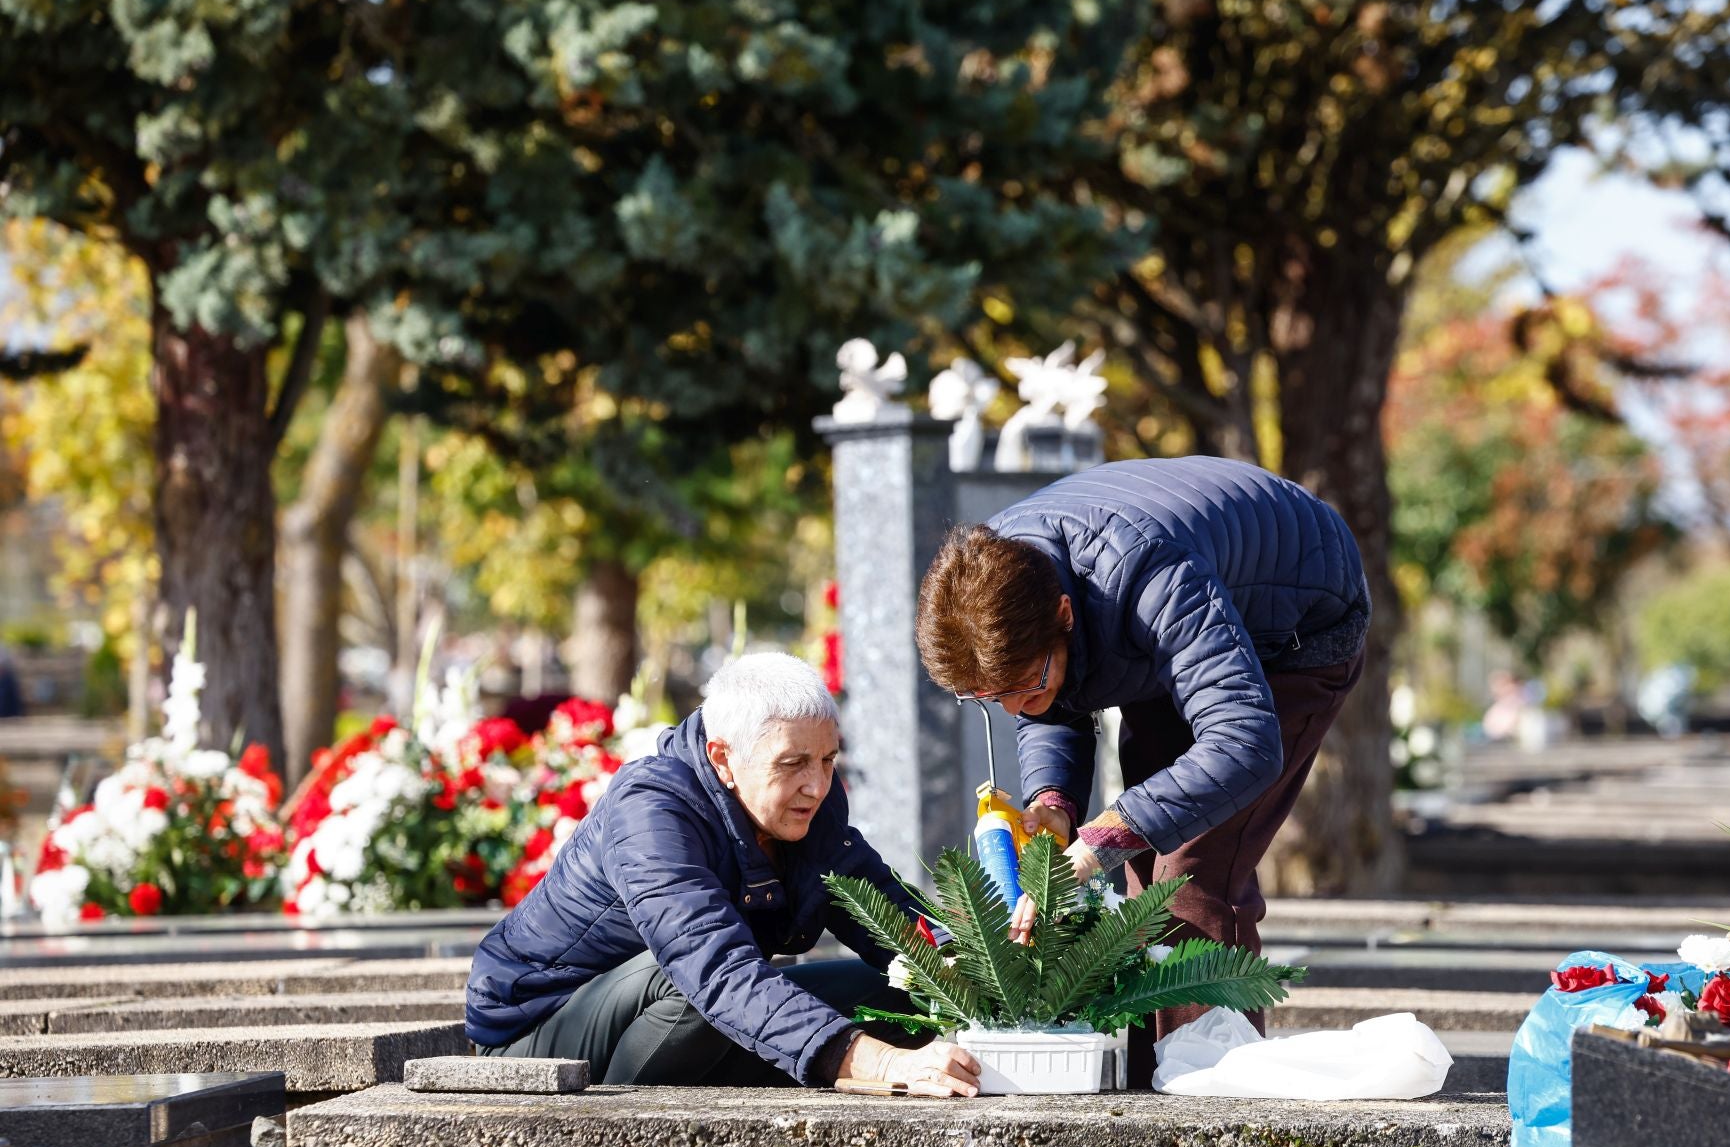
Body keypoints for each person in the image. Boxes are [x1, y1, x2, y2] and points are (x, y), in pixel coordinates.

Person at [914, 456, 1369, 1084]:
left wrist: (1095, 842)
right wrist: (1054, 804)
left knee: (1190, 872)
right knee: (1135, 871)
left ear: (1065, 617)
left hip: (1294, 630)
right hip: (1167, 637)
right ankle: (1141, 1070)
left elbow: (1243, 741)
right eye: (993, 699)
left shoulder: (1149, 573)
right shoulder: (998, 577)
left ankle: (1214, 1094)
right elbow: (1054, 700)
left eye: (1021, 686)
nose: (1014, 709)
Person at [465, 653, 980, 1097]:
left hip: (686, 1021)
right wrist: (879, 1062)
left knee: (899, 991)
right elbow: (712, 969)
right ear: (723, 759)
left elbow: (892, 920)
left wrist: (995, 980)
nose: (817, 786)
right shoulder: (651, 810)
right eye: (793, 763)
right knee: (685, 983)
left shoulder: (809, 809)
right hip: (535, 1040)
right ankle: (624, 1134)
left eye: (827, 760)